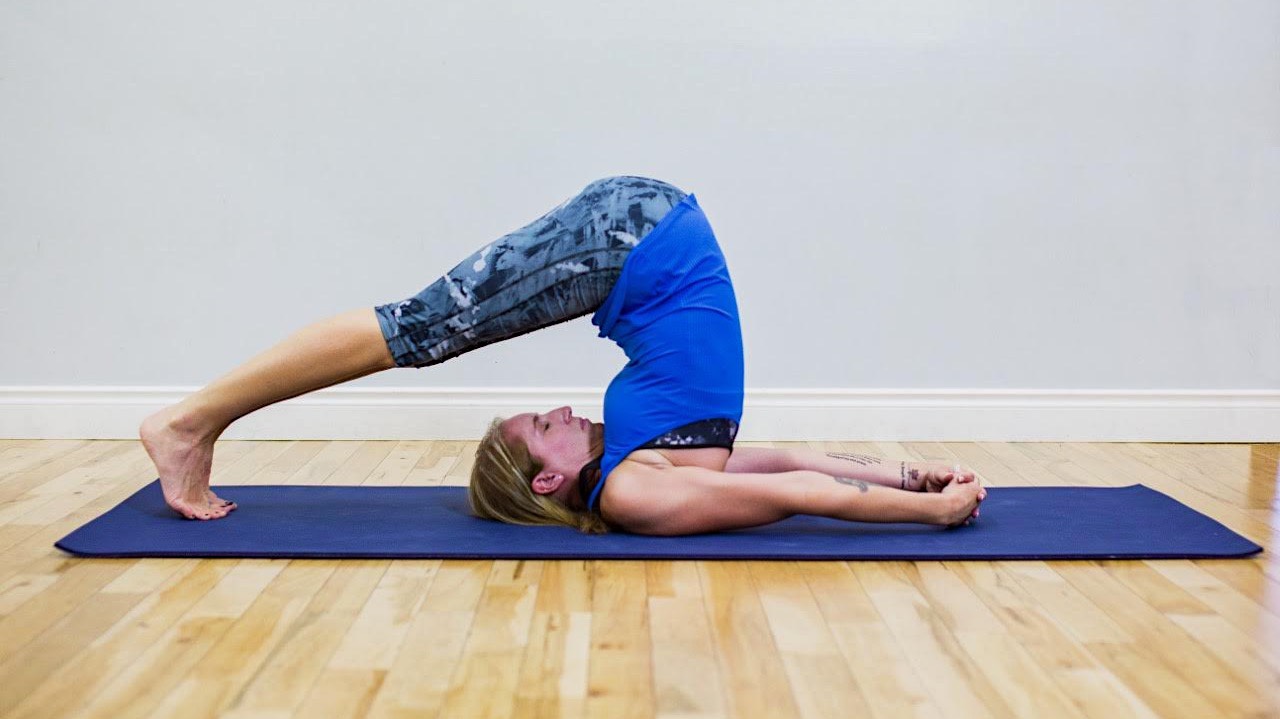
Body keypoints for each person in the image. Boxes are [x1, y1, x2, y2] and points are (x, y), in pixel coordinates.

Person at [140, 176, 985, 531]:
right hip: (636, 239)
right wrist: (918, 489)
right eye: (546, 424)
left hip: (636, 239)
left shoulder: (633, 469)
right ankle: (189, 421)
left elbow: (797, 475)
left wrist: (917, 492)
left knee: (419, 330)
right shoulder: (634, 488)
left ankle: (192, 421)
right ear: (548, 478)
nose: (564, 411)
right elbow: (799, 477)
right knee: (416, 328)